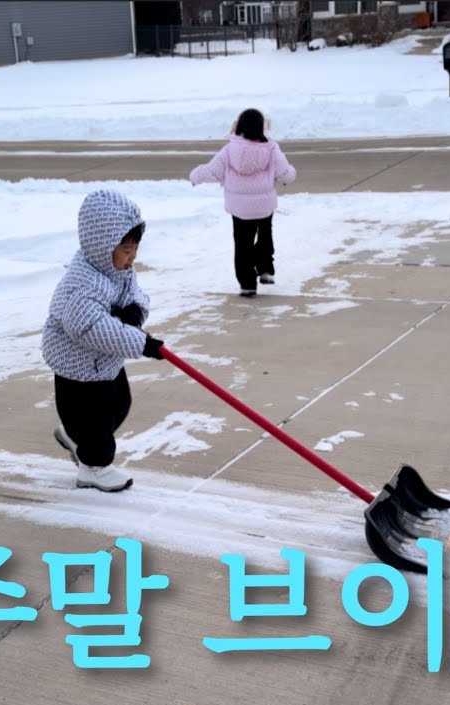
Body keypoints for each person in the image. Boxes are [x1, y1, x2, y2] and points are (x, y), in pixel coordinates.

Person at [41, 189, 166, 492]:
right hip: (77, 368)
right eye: (126, 251)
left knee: (119, 406)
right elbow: (94, 328)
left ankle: (77, 437)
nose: (132, 258)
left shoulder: (116, 269)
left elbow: (134, 292)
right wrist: (142, 343)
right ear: (102, 245)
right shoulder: (81, 284)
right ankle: (94, 469)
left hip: (103, 363)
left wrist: (136, 309)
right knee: (96, 424)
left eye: (134, 250)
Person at [189, 108, 296, 297]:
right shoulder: (271, 148)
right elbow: (284, 172)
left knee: (242, 244)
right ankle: (265, 269)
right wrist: (289, 176)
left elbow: (212, 170)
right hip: (264, 204)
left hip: (239, 207)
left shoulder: (230, 149)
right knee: (265, 235)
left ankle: (247, 284)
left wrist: (195, 176)